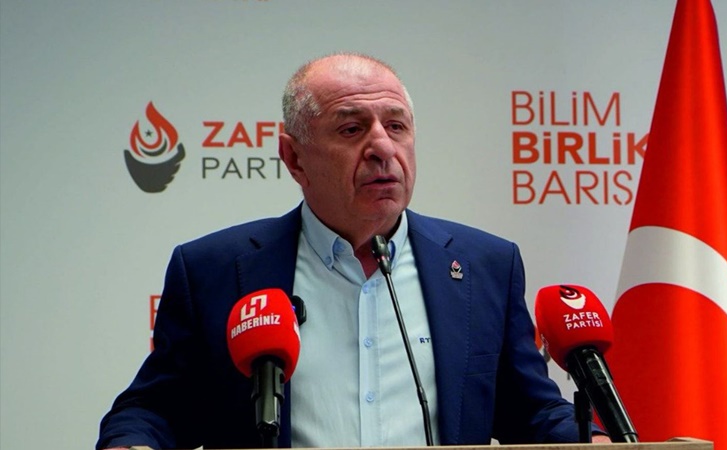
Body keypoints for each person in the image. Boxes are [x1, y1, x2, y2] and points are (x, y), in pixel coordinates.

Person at [97, 52, 610, 449]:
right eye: (351, 128)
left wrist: (595, 440)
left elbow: (531, 410)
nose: (383, 147)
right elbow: (154, 410)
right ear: (294, 158)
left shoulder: (485, 266)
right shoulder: (213, 270)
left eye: (397, 126)